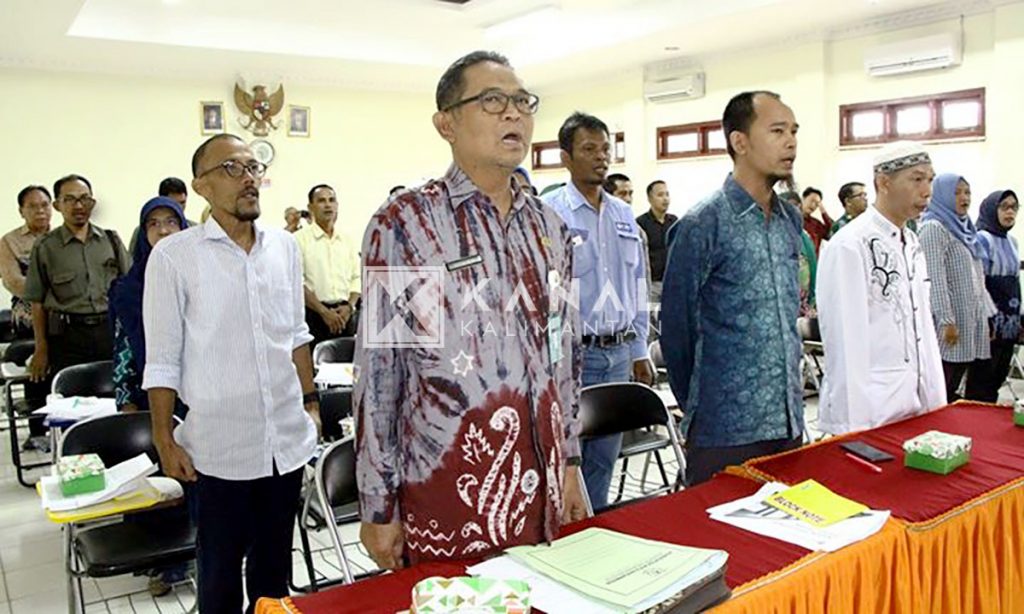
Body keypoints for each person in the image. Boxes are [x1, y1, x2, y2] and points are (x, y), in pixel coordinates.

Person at [355, 50, 586, 570]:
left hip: (544, 490)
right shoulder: (408, 225)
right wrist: (377, 504)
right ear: (447, 124)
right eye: (493, 101)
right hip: (447, 492)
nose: (514, 113)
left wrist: (570, 461)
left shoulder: (549, 227)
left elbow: (565, 356)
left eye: (522, 102)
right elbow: (382, 374)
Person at [143, 134, 321, 614]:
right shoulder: (174, 257)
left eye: (252, 167)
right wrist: (164, 439)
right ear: (201, 186)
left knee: (273, 578)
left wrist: (310, 404)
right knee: (219, 577)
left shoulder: (284, 248)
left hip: (283, 443)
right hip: (218, 451)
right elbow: (162, 359)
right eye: (231, 169)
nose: (248, 178)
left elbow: (296, 335)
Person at [661, 91, 804, 486]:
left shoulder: (789, 219)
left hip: (788, 421)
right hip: (725, 428)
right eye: (777, 131)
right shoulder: (704, 223)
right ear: (739, 142)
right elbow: (676, 330)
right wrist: (698, 409)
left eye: (794, 131)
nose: (791, 142)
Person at [543, 112, 652, 510]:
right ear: (566, 157)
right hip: (574, 356)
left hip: (618, 354)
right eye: (589, 149)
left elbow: (637, 285)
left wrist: (639, 349)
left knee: (605, 458)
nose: (601, 157)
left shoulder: (623, 215)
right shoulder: (549, 212)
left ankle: (596, 525)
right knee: (566, 458)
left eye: (605, 149)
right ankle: (567, 529)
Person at [816, 142, 946, 434]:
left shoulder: (911, 242)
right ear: (884, 182)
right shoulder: (850, 244)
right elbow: (844, 341)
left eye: (930, 180)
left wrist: (935, 401)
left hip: (917, 403)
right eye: (917, 179)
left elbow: (922, 326)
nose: (927, 191)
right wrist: (855, 428)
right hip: (874, 410)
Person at [108, 196, 190, 597]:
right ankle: (163, 562)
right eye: (153, 223)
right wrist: (127, 402)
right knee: (160, 481)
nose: (163, 230)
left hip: (199, 395)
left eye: (170, 222)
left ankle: (200, 553)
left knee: (200, 482)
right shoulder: (128, 289)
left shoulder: (201, 276)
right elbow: (123, 349)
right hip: (151, 398)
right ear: (143, 234)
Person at [24, 174, 130, 390]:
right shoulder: (45, 247)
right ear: (57, 205)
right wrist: (41, 348)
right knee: (71, 397)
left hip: (109, 332)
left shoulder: (111, 240)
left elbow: (129, 289)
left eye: (84, 199)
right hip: (67, 337)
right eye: (70, 199)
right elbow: (37, 302)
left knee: (114, 397)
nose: (79, 205)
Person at [920, 174, 996, 401]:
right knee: (941, 386)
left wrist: (986, 316)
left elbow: (978, 279)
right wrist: (946, 320)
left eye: (967, 192)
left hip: (969, 319)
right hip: (950, 322)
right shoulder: (934, 228)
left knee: (955, 385)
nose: (964, 198)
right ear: (941, 195)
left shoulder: (966, 230)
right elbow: (934, 279)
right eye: (957, 192)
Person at [294, 184, 361, 346]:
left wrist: (350, 307)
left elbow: (357, 277)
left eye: (331, 200)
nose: (328, 205)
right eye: (321, 201)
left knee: (346, 359)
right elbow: (296, 282)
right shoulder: (298, 240)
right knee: (317, 360)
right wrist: (324, 312)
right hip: (314, 316)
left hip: (345, 315)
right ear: (310, 207)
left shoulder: (347, 240)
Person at [975, 189, 1021, 402]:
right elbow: (979, 282)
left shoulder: (1012, 241)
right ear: (992, 209)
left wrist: (1020, 317)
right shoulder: (982, 239)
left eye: (1014, 207)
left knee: (999, 375)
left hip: (1010, 320)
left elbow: (1015, 281)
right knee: (982, 377)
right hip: (991, 320)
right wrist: (987, 318)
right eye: (1004, 207)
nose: (1010, 212)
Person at [0, 185, 53, 338]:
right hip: (27, 309)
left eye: (45, 205)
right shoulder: (9, 241)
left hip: (66, 308)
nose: (40, 211)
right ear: (21, 211)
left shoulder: (62, 237)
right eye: (32, 206)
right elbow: (13, 282)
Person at [636, 180, 677, 340]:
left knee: (670, 325)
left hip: (671, 283)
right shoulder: (641, 223)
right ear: (650, 198)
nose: (665, 199)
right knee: (651, 327)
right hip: (652, 284)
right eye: (660, 195)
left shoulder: (674, 222)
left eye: (667, 194)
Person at [130, 177, 195, 253]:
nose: (179, 207)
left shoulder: (194, 230)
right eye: (173, 203)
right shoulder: (141, 233)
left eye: (182, 202)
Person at [800, 186, 832, 254]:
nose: (813, 205)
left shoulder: (816, 224)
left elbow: (831, 231)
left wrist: (823, 212)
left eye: (817, 204)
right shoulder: (792, 219)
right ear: (803, 198)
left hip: (813, 259)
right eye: (812, 201)